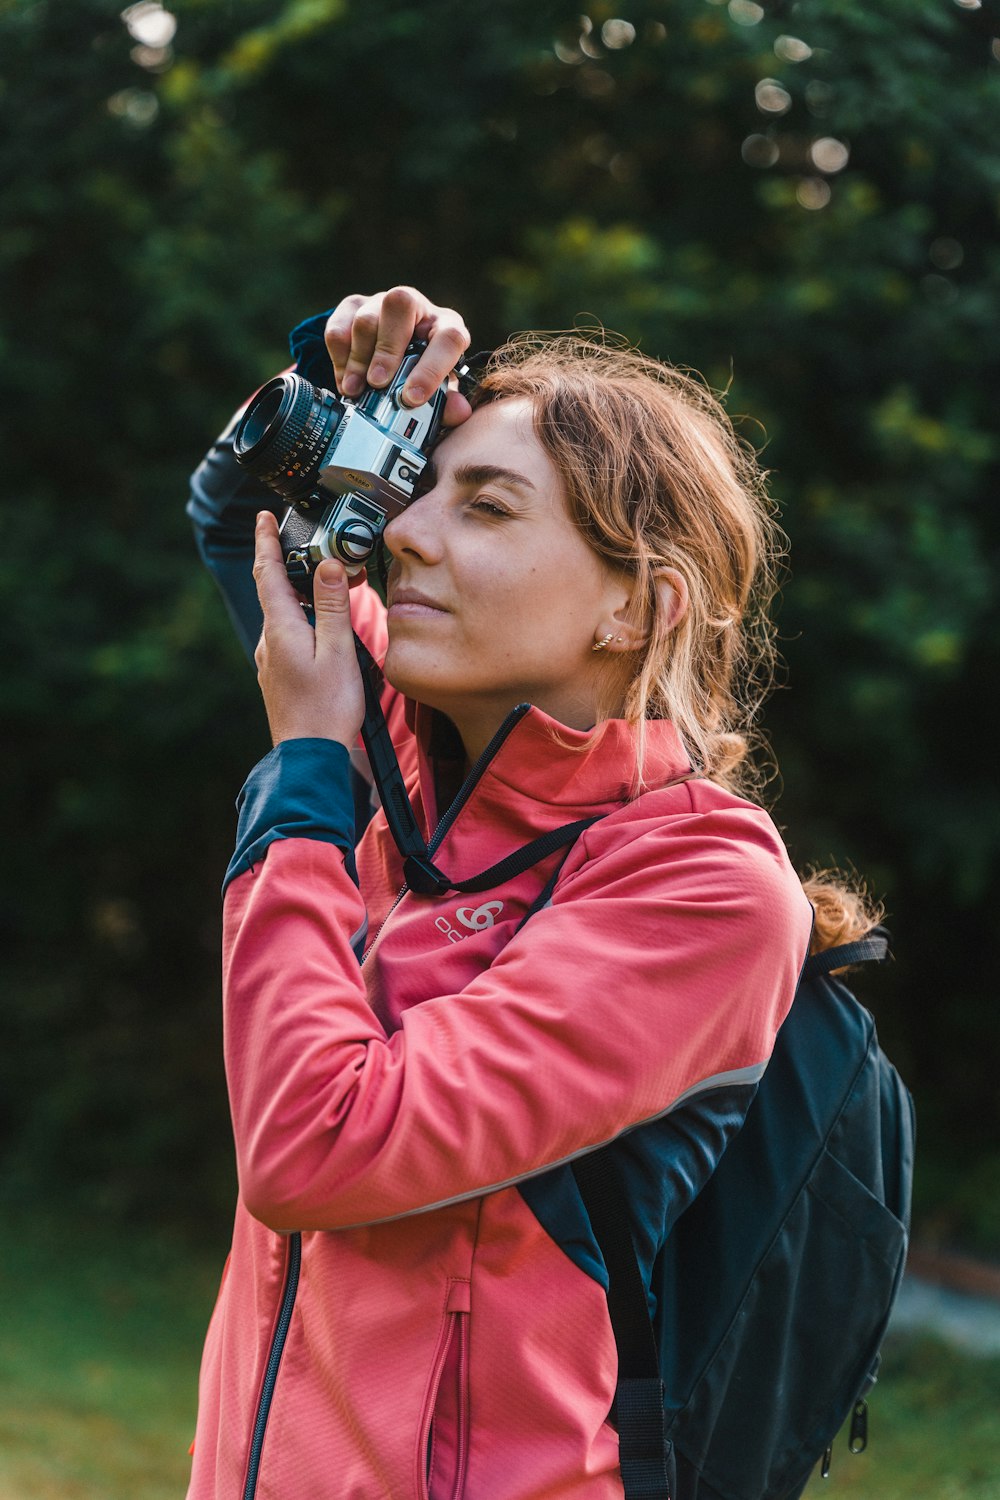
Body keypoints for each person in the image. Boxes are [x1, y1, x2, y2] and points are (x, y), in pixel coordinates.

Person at [184, 286, 872, 1500]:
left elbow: (314, 1149)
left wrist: (302, 779)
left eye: (485, 506)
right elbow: (233, 506)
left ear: (636, 604)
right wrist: (365, 391)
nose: (406, 535)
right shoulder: (402, 766)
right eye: (422, 492)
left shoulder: (701, 887)